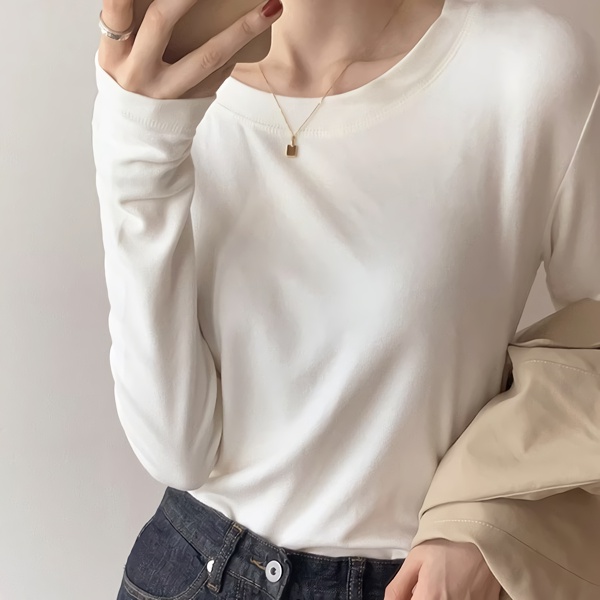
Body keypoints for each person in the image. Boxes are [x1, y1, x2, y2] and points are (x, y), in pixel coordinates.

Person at [90, 0, 600, 598]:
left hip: (417, 580)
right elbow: (177, 452)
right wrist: (138, 148)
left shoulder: (530, 70)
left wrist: (494, 519)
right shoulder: (164, 88)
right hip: (196, 567)